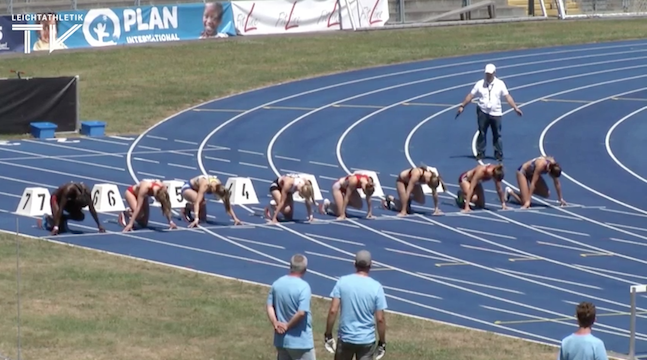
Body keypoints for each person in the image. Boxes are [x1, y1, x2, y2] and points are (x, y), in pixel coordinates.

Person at [324, 250, 387, 360]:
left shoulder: (342, 282)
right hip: (366, 340)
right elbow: (380, 319)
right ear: (371, 265)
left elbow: (333, 310)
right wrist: (382, 342)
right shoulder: (376, 287)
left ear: (354, 264)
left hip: (346, 337)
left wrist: (328, 334)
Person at [456, 63, 523, 161]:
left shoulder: (500, 84)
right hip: (483, 112)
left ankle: (498, 153)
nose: (488, 76)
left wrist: (515, 108)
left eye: (490, 74)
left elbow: (507, 96)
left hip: (496, 113)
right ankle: (480, 152)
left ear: (494, 73)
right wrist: (462, 105)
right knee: (482, 132)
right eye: (487, 74)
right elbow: (471, 95)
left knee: (497, 134)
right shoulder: (480, 84)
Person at [266, 254, 316, 360]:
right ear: (305, 269)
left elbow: (270, 306)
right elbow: (301, 312)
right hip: (300, 341)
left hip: (281, 340)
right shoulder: (304, 287)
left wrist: (276, 323)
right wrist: (287, 326)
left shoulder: (277, 284)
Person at [37, 182, 105, 235]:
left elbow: (92, 209)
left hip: (70, 202)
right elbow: (61, 208)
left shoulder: (87, 193)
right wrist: (56, 227)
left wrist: (99, 225)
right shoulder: (68, 190)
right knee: (59, 227)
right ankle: (47, 218)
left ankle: (63, 218)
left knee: (80, 216)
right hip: (57, 199)